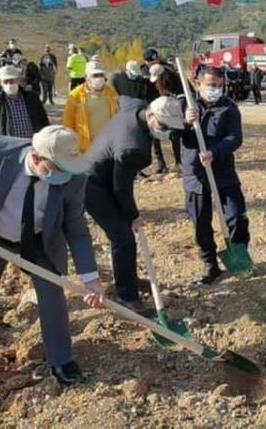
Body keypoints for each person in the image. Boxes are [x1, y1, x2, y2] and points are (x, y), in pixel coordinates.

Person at [0, 126, 106, 389]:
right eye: (58, 169)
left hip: (41, 239)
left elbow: (75, 226)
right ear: (36, 158)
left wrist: (90, 277)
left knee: (53, 298)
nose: (64, 175)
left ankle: (60, 360)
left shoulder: (73, 176)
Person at [84, 96, 185, 312]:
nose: (167, 133)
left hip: (104, 176)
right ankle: (126, 297)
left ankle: (127, 277)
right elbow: (120, 188)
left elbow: (123, 98)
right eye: (163, 126)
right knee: (123, 237)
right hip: (92, 186)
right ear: (150, 115)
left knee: (124, 236)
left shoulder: (136, 107)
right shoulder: (133, 148)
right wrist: (133, 216)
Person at [181, 67, 250, 284]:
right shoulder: (186, 104)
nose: (215, 89)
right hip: (195, 173)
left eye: (219, 85)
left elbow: (235, 138)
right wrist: (184, 122)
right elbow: (169, 133)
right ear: (198, 84)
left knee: (236, 216)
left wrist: (215, 152)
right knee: (201, 222)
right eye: (211, 85)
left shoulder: (228, 108)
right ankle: (210, 264)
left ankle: (239, 255)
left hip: (223, 171)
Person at [63, 61, 119, 153]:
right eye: (95, 75)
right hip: (85, 148)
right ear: (86, 77)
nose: (99, 78)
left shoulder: (111, 92)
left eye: (101, 75)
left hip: (108, 146)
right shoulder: (75, 95)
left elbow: (118, 115)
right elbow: (68, 124)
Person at [0, 65, 50, 138]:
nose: (9, 84)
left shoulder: (32, 98)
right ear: (0, 83)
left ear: (18, 80)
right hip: (8, 146)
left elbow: (44, 121)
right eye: (5, 82)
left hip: (32, 144)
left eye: (12, 81)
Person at [149, 63, 183, 173]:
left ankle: (179, 162)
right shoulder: (155, 85)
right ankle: (161, 164)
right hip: (160, 109)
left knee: (175, 134)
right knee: (155, 134)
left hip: (173, 108)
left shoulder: (175, 80)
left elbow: (181, 94)